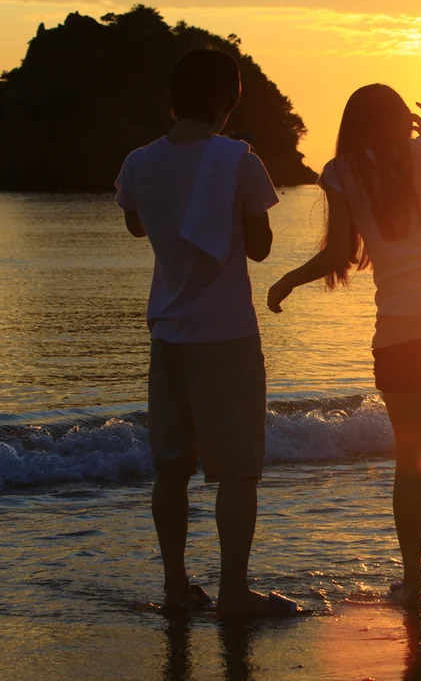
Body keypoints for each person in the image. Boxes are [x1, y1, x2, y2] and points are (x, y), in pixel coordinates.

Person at [267, 84, 421, 605]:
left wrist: (288, 281)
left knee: (411, 454)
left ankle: (414, 581)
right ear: (401, 122)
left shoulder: (340, 172)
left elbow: (339, 254)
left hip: (402, 328)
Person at [115, 47, 291, 616]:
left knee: (171, 470)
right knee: (236, 470)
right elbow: (261, 249)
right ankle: (235, 593)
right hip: (226, 335)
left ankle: (174, 588)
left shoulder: (138, 163)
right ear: (227, 99)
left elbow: (137, 226)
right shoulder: (239, 160)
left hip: (167, 335)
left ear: (172, 100)